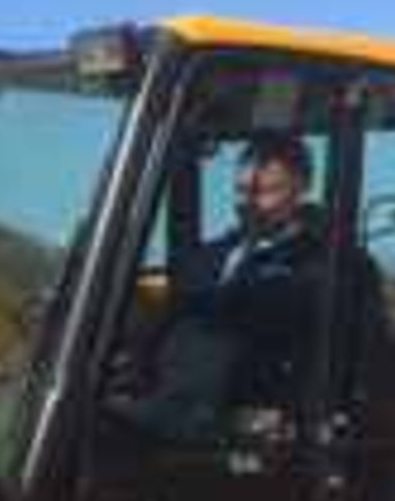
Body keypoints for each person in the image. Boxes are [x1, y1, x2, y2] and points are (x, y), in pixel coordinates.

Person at [114, 131, 326, 443]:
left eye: (265, 191)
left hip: (246, 429)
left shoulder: (323, 268)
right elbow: (172, 325)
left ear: (302, 188)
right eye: (240, 190)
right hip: (171, 411)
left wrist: (289, 416)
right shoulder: (207, 258)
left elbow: (332, 361)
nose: (247, 203)